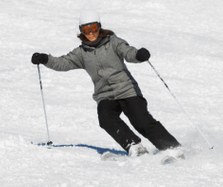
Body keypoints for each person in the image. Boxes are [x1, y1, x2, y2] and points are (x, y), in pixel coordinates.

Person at [31, 10, 182, 157]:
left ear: (99, 26)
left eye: (93, 28)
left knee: (141, 121)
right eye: (86, 30)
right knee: (106, 118)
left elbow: (128, 52)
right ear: (81, 31)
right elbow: (62, 63)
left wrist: (138, 55)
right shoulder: (81, 53)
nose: (91, 33)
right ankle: (134, 146)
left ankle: (172, 148)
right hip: (104, 94)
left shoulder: (113, 43)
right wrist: (45, 59)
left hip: (127, 89)